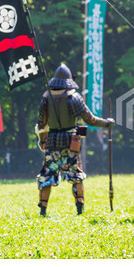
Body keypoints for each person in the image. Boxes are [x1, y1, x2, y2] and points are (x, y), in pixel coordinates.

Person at [36, 64, 115, 216]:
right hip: (71, 142)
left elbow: (41, 125)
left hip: (51, 141)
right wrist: (107, 123)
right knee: (75, 175)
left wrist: (42, 141)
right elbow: (90, 120)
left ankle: (43, 212)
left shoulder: (45, 98)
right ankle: (80, 211)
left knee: (47, 174)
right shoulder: (74, 98)